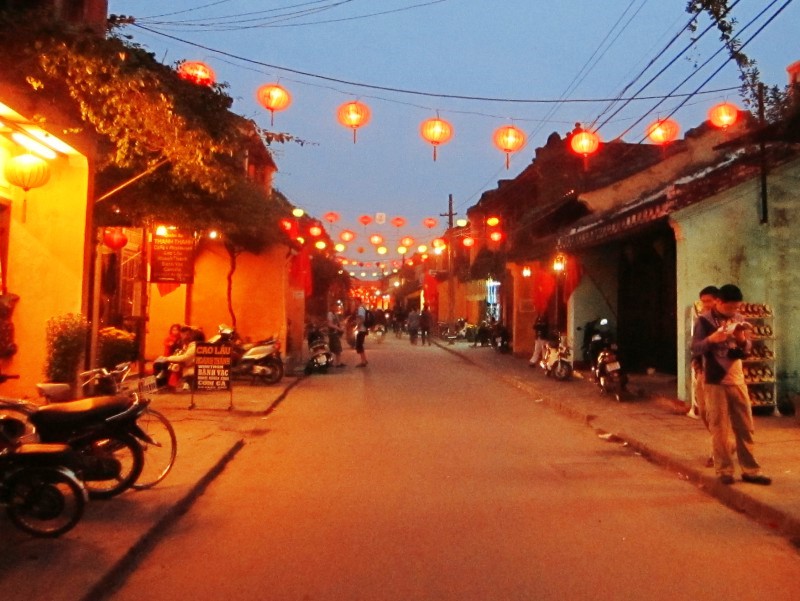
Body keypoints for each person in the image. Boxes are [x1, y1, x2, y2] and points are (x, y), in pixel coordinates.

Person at [691, 284, 771, 485]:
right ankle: (724, 470)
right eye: (730, 308)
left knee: (745, 426)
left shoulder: (740, 319)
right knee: (719, 428)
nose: (734, 311)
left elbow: (747, 350)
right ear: (718, 302)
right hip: (715, 381)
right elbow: (695, 347)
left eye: (737, 307)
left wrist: (742, 340)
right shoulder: (704, 321)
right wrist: (712, 338)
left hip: (737, 379)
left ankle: (751, 470)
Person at [164, 326, 199, 391]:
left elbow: (185, 357)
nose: (183, 337)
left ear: (190, 335)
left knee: (176, 367)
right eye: (182, 334)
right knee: (173, 366)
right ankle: (171, 386)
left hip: (190, 365)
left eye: (186, 335)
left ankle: (173, 386)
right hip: (184, 363)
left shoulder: (193, 345)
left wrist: (168, 358)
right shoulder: (182, 343)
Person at [355, 298, 368, 367]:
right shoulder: (362, 308)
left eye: (356, 301)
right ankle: (364, 360)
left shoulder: (360, 309)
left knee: (359, 345)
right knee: (360, 345)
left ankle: (363, 361)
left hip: (361, 329)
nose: (355, 303)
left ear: (359, 302)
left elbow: (362, 319)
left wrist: (358, 326)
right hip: (363, 329)